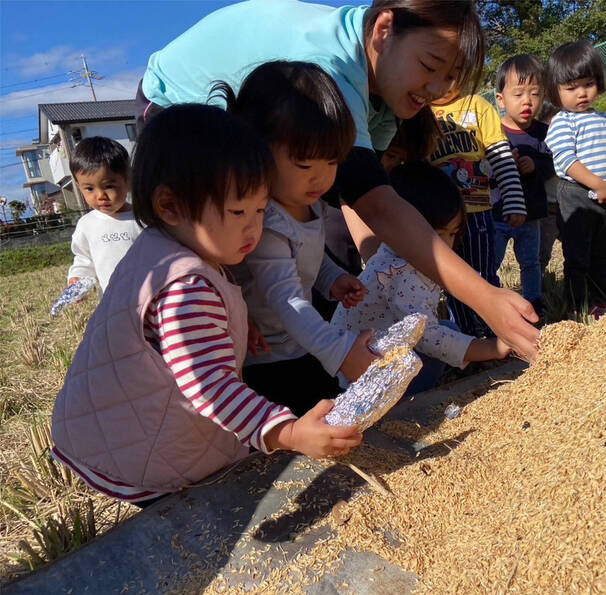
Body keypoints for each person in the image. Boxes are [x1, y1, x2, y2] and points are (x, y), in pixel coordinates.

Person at [135, 0, 540, 361]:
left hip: (246, 115)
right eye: (430, 67)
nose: (436, 90)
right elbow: (376, 203)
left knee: (303, 224)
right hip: (176, 104)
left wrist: (381, 270)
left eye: (450, 78)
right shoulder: (331, 73)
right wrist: (485, 298)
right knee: (221, 231)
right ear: (384, 29)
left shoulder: (380, 84)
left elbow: (357, 189)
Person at [50, 105, 362, 506]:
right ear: (171, 206)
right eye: (238, 212)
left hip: (111, 424)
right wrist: (289, 433)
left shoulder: (160, 248)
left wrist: (236, 320)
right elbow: (210, 386)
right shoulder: (188, 287)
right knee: (189, 527)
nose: (254, 227)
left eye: (261, 209)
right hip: (143, 452)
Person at [215, 61, 375, 417]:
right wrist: (342, 353)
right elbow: (286, 300)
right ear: (258, 151)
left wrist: (332, 278)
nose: (320, 178)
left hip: (295, 345)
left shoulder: (308, 204)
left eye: (331, 162)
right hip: (263, 360)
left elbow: (309, 256)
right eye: (304, 165)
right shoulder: (266, 222)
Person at [332, 161, 511, 396]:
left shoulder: (395, 251)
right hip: (358, 380)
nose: (446, 244)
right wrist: (490, 348)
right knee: (440, 336)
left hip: (363, 355)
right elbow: (428, 337)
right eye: (437, 235)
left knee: (448, 327)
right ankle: (406, 404)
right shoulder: (402, 271)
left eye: (453, 234)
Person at [544, 40, 606, 318]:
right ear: (555, 91)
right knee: (578, 256)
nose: (581, 93)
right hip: (577, 197)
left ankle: (603, 300)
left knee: (603, 252)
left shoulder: (603, 119)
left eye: (588, 84)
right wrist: (597, 184)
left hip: (605, 197)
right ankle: (578, 305)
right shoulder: (562, 122)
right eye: (571, 88)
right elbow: (567, 162)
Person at [429, 89, 526, 337]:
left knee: (483, 275)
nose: (447, 82)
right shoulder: (419, 112)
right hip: (439, 219)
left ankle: (498, 332)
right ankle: (467, 338)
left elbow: (501, 156)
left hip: (477, 212)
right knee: (451, 282)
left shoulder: (477, 106)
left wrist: (514, 202)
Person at [491, 54, 555, 320]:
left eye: (535, 94)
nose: (527, 101)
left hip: (532, 215)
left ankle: (533, 303)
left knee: (532, 262)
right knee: (490, 263)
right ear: (500, 99)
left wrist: (536, 166)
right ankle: (493, 305)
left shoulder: (545, 132)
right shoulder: (492, 130)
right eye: (518, 94)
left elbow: (555, 163)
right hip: (497, 213)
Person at [65, 137, 142, 295]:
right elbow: (84, 258)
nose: (100, 195)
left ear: (127, 181)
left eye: (109, 186)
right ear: (79, 187)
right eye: (89, 189)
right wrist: (78, 277)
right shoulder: (87, 225)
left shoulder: (143, 217)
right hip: (111, 300)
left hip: (148, 294)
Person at [536, 99, 561, 272]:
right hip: (548, 210)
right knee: (541, 253)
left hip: (571, 205)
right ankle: (538, 287)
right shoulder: (541, 145)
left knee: (578, 250)